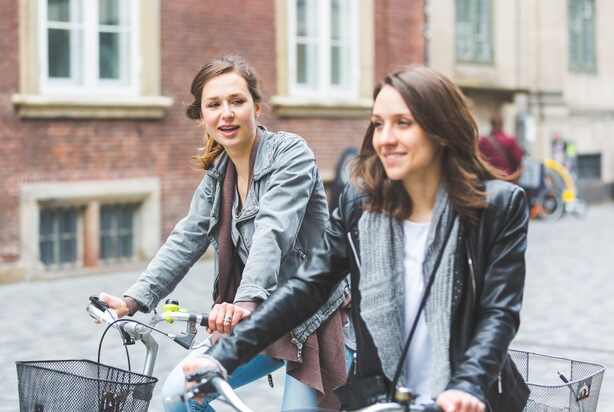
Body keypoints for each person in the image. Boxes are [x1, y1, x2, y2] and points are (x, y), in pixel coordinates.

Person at [183, 65, 531, 412]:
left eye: (403, 123)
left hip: (472, 399)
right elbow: (305, 288)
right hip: (384, 398)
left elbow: (497, 313)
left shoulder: (498, 207)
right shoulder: (361, 204)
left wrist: (467, 384)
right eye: (378, 124)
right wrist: (226, 355)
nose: (385, 138)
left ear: (441, 129)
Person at [97, 55, 349, 411]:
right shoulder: (219, 173)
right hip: (265, 319)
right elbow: (187, 238)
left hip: (319, 321)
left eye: (237, 101)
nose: (226, 113)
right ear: (202, 116)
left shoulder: (291, 153)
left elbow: (273, 231)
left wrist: (244, 303)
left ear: (256, 107)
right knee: (179, 394)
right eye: (214, 105)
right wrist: (132, 301)